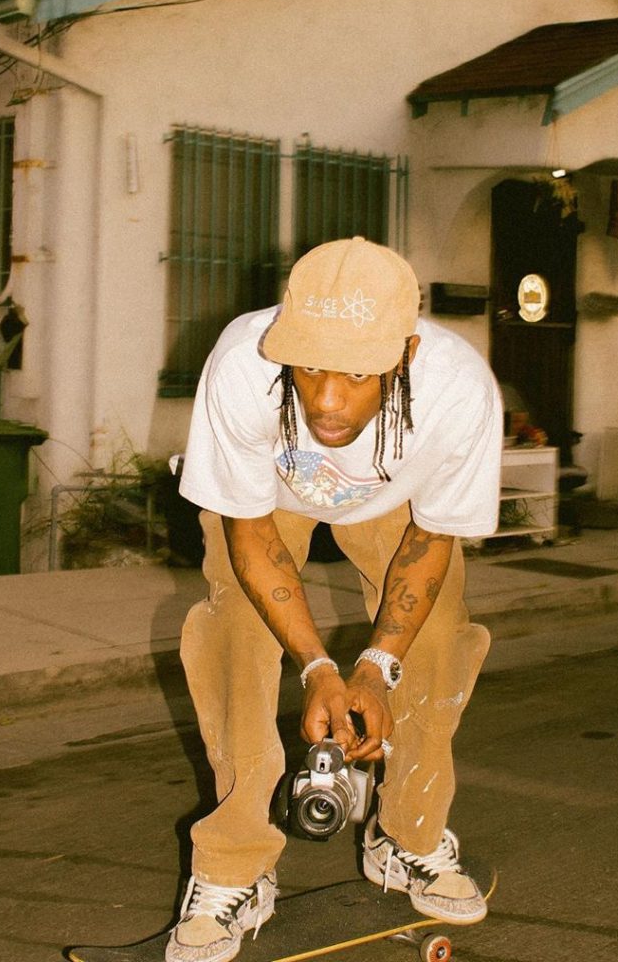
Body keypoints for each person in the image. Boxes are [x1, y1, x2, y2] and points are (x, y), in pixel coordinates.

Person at [167, 237, 503, 962]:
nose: (325, 400)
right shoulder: (242, 366)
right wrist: (320, 669)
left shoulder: (459, 393)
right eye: (309, 367)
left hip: (397, 500)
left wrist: (375, 668)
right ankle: (231, 868)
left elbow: (433, 541)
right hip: (265, 500)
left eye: (357, 374)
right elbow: (251, 540)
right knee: (233, 633)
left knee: (440, 640)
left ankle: (406, 838)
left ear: (406, 353)